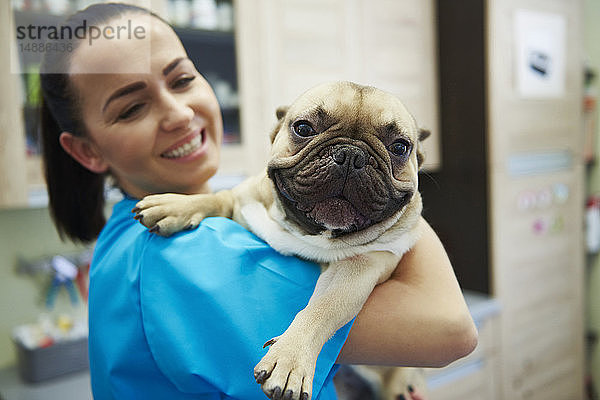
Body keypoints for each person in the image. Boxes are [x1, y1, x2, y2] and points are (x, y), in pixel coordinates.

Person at [38, 3, 477, 399]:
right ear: (87, 151)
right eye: (131, 108)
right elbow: (450, 330)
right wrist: (402, 205)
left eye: (182, 79)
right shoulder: (185, 255)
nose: (179, 113)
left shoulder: (143, 234)